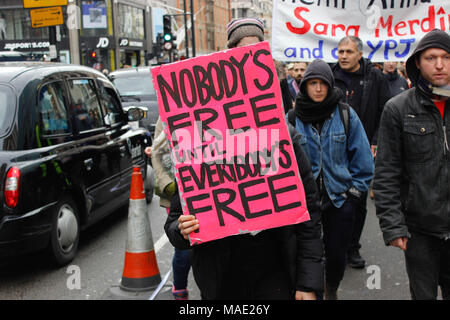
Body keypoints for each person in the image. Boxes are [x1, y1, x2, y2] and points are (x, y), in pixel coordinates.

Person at [164, 17, 324, 300]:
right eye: (242, 53)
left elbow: (309, 214)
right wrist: (181, 229)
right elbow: (176, 221)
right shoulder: (201, 141)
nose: (250, 63)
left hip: (275, 272)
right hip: (222, 276)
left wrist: (307, 283)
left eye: (258, 53)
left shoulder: (284, 137)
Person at [373, 29, 450, 300]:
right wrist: (393, 225)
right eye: (431, 58)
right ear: (418, 62)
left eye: (446, 57)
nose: (439, 65)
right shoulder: (398, 108)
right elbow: (386, 172)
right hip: (420, 231)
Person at [288, 59, 373, 299]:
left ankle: (331, 288)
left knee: (337, 256)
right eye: (312, 83)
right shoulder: (293, 118)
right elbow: (283, 162)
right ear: (304, 86)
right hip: (305, 203)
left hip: (339, 200)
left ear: (330, 85)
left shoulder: (346, 114)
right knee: (306, 253)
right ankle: (310, 290)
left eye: (322, 83)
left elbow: (363, 159)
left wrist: (353, 195)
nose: (317, 88)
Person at [332, 36, 391, 269]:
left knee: (357, 200)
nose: (343, 56)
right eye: (340, 51)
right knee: (333, 200)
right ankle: (333, 246)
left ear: (360, 54)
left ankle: (352, 247)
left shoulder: (374, 77)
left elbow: (385, 110)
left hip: (362, 152)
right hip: (333, 151)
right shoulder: (330, 75)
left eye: (348, 51)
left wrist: (376, 141)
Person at [150, 117, 191, 300]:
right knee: (184, 246)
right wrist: (170, 187)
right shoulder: (167, 112)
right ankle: (180, 287)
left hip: (211, 191)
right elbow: (157, 154)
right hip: (178, 193)